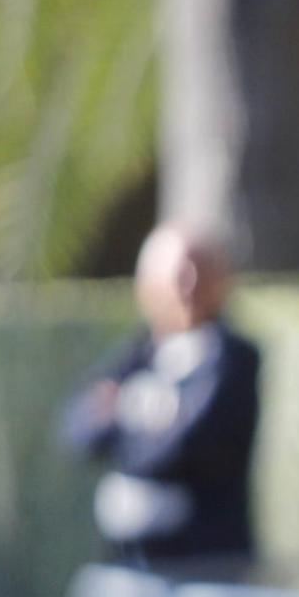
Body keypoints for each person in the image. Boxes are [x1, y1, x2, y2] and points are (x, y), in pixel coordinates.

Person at [61, 223, 260, 573]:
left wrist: (121, 415)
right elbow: (79, 428)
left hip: (202, 567)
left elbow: (179, 447)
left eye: (198, 270)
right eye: (178, 272)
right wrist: (142, 419)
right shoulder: (142, 353)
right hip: (133, 565)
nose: (189, 284)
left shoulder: (229, 360)